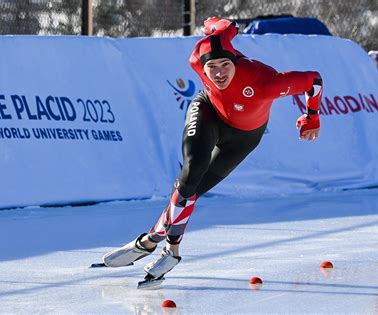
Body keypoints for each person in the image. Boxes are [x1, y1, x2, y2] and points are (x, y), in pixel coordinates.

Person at [102, 17, 323, 281]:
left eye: (225, 66)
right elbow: (224, 33)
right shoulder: (196, 60)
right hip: (209, 111)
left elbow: (314, 80)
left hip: (243, 137)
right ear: (202, 68)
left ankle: (151, 239)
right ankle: (171, 251)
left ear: (236, 63)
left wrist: (312, 116)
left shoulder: (266, 82)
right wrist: (217, 26)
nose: (219, 74)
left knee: (193, 190)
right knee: (190, 173)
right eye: (213, 68)